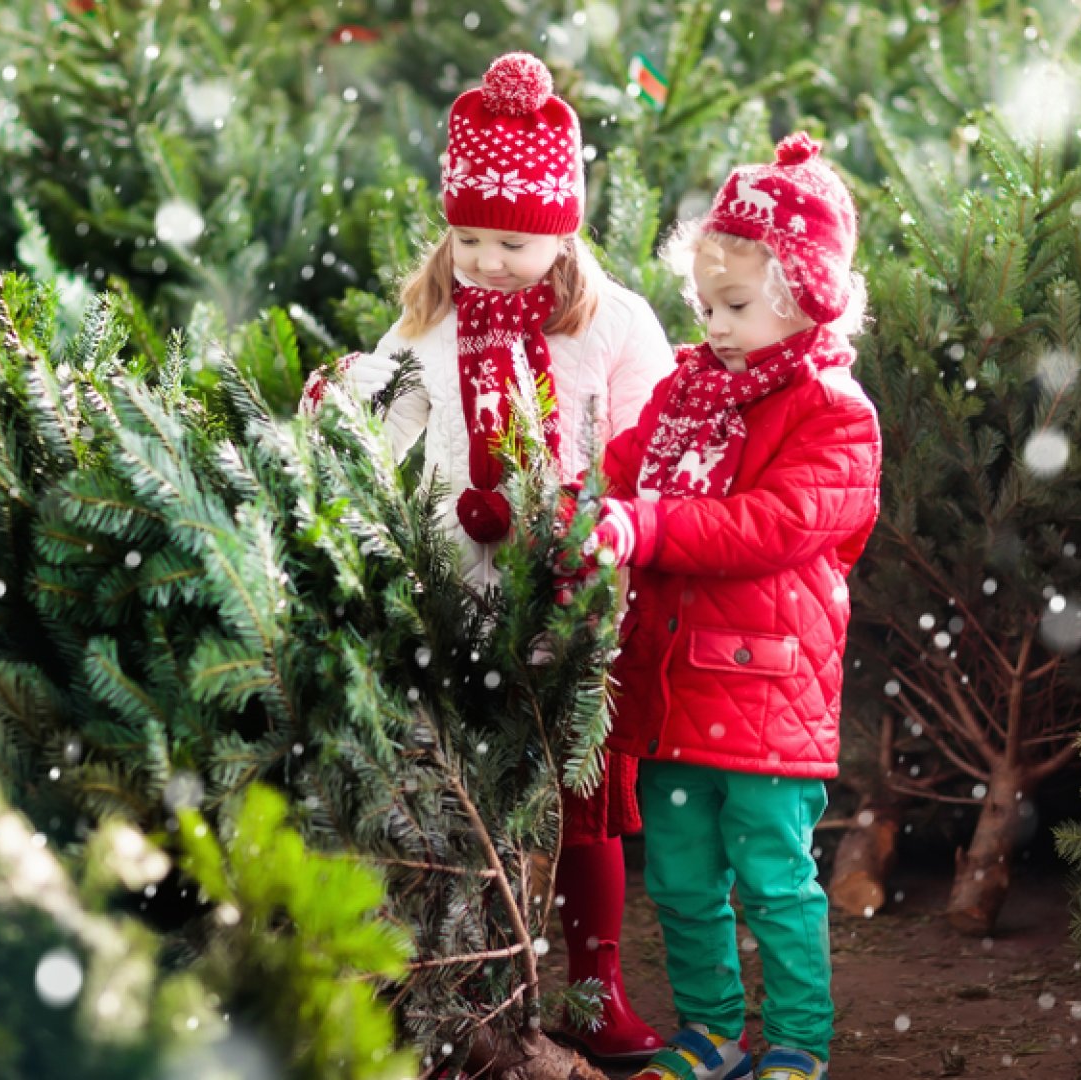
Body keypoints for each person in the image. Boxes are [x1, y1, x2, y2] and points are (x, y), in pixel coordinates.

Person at [333, 52, 676, 1064]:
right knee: (462, 797)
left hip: (567, 602)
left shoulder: (611, 324)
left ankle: (596, 981)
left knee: (582, 806)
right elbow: (392, 416)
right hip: (454, 593)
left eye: (513, 241)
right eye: (470, 235)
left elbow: (653, 441)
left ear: (563, 229)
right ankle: (469, 983)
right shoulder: (431, 316)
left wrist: (595, 527)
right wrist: (352, 398)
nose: (486, 258)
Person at [564, 133, 881, 1080]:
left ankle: (796, 1043)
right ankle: (709, 1033)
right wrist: (577, 512)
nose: (714, 324)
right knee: (682, 881)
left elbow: (772, 526)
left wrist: (648, 527)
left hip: (766, 692)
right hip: (668, 688)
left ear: (805, 296)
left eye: (736, 305)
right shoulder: (686, 395)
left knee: (776, 881)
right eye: (704, 304)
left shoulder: (834, 412)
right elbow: (621, 473)